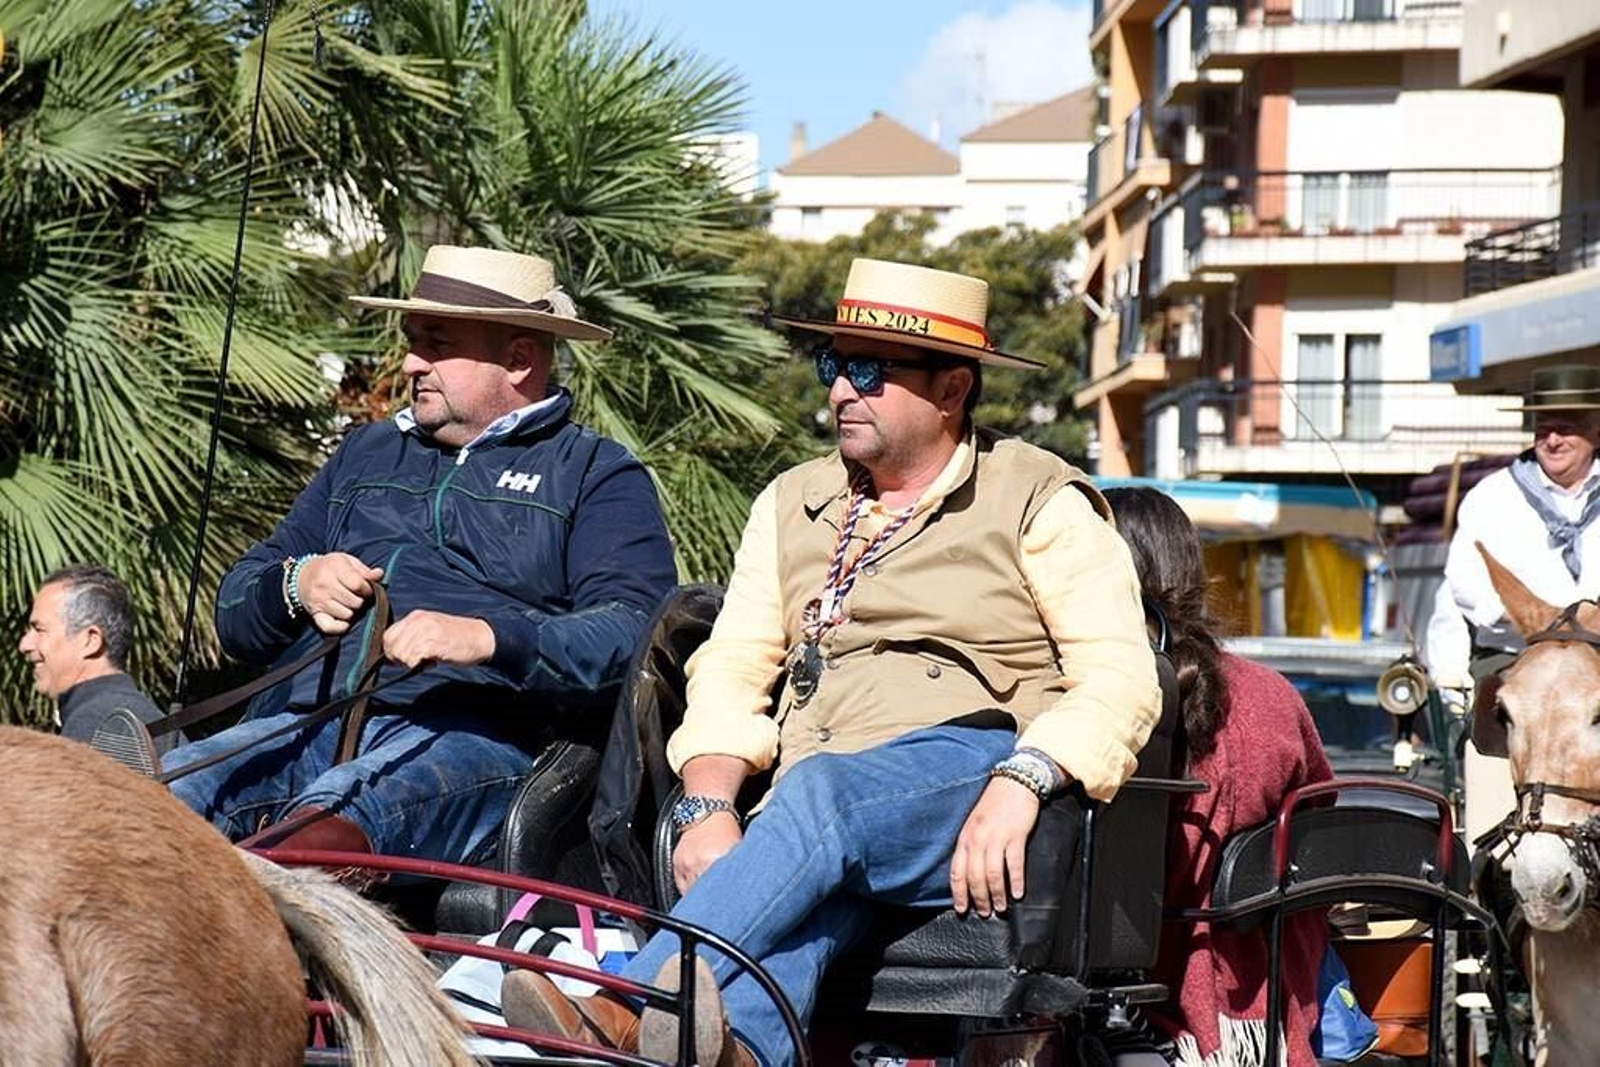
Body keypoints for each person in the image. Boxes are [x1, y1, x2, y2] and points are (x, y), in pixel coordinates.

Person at [502, 258, 1162, 1066]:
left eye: (868, 371)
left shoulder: (1038, 497)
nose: (838, 392)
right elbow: (733, 663)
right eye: (832, 365)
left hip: (969, 762)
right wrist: (706, 800)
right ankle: (739, 1051)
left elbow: (1123, 677)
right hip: (817, 799)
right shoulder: (792, 500)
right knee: (794, 914)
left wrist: (1025, 780)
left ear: (952, 389)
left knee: (821, 799)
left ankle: (620, 999)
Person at [166, 245, 677, 866]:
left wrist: (488, 638)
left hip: (474, 740)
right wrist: (298, 583)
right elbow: (236, 610)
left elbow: (632, 633)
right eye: (412, 340)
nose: (410, 362)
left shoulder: (596, 472)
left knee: (322, 829)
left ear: (517, 359)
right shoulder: (366, 452)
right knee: (149, 802)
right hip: (305, 720)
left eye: (435, 343)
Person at [1102, 486, 1333, 1067]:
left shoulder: (1090, 695)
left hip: (1126, 992)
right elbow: (1319, 828)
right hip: (1264, 996)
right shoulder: (1272, 696)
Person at [1441, 364, 1600, 677]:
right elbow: (1464, 581)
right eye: (1543, 427)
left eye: (1566, 428)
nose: (1552, 440)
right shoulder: (1491, 496)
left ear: (1597, 432)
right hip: (1514, 656)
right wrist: (1527, 617)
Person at [18, 564, 172, 755]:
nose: (25, 644)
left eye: (40, 629)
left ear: (90, 641)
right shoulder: (142, 714)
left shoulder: (94, 724)